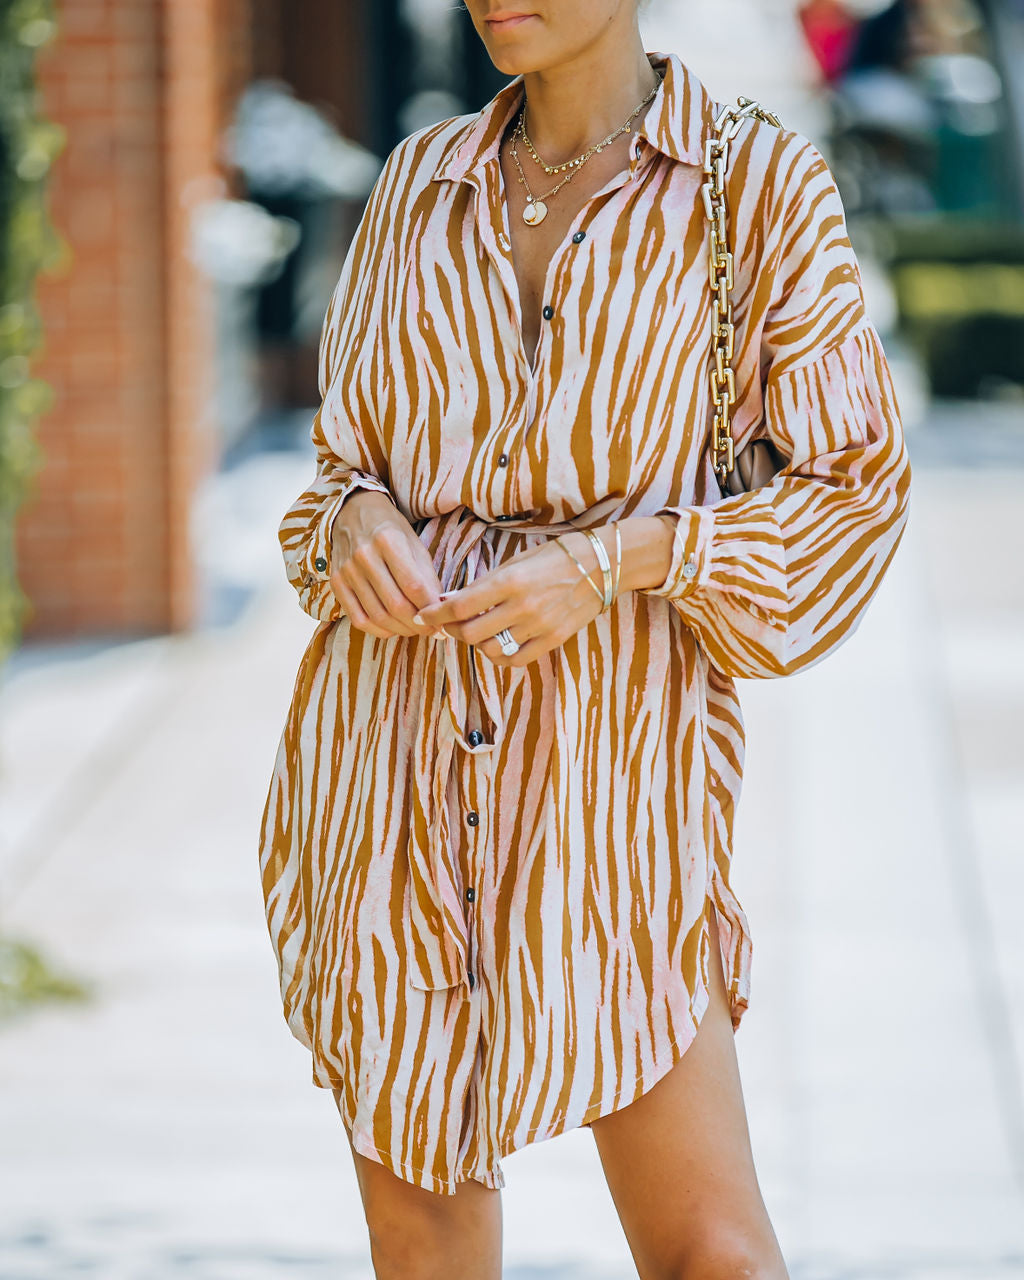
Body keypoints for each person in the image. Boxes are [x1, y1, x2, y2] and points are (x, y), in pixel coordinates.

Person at [257, 2, 912, 1277]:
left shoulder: (754, 184)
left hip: (616, 772)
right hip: (389, 757)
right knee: (424, 1224)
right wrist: (350, 523)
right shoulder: (415, 182)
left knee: (707, 1246)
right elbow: (339, 467)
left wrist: (615, 559)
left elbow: (853, 488)